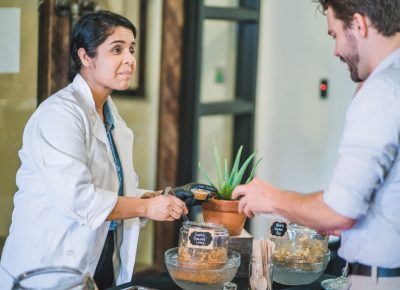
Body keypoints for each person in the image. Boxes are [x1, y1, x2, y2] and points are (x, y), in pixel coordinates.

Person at [0, 11, 195, 290]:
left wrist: (148, 198)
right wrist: (145, 207)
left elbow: (106, 190)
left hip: (96, 265)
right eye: (117, 50)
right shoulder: (58, 115)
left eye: (131, 49)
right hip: (46, 269)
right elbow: (81, 201)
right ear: (85, 57)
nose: (129, 59)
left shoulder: (111, 117)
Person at [232, 1, 400, 289]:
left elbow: (340, 211)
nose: (335, 51)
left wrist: (271, 198)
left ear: (359, 25)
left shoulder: (381, 90)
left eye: (334, 35)